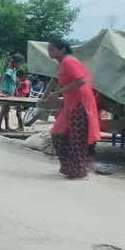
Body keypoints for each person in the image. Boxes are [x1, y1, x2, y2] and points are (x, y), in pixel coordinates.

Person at [44, 40, 100, 179]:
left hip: (80, 102)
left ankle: (79, 171)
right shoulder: (62, 63)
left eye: (53, 49)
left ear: (62, 50)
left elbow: (81, 81)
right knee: (58, 133)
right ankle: (71, 168)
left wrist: (59, 92)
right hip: (71, 102)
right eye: (49, 49)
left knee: (77, 137)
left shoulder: (69, 62)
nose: (49, 52)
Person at [0, 54, 24, 132]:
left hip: (10, 93)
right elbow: (1, 81)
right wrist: (0, 92)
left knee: (6, 110)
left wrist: (16, 92)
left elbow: (13, 83)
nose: (21, 66)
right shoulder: (10, 71)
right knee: (4, 109)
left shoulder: (14, 70)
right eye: (20, 64)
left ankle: (6, 126)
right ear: (15, 63)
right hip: (6, 93)